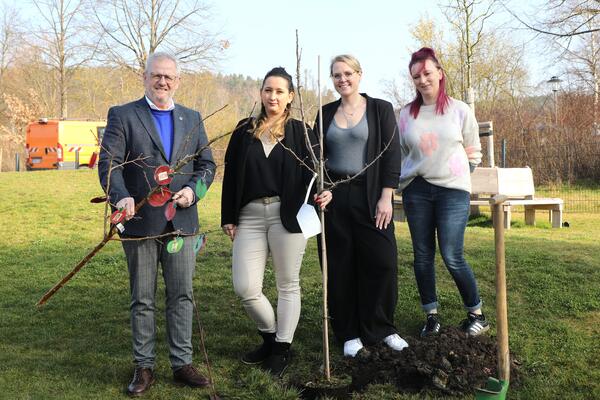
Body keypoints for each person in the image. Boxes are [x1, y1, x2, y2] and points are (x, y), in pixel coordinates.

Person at [98, 52, 216, 396]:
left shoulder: (192, 118)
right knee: (142, 298)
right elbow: (109, 164)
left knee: (182, 294)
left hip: (181, 222)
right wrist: (120, 197)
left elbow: (207, 166)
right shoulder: (123, 115)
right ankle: (144, 366)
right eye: (156, 76)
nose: (162, 81)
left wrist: (193, 193)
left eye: (169, 77)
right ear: (145, 77)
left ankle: (182, 364)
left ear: (177, 81)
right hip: (139, 223)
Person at [221, 67, 331, 377]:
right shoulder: (244, 130)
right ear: (260, 93)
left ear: (290, 97)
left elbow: (320, 172)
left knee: (287, 284)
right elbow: (230, 175)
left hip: (289, 215)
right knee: (245, 286)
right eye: (268, 90)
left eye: (280, 91)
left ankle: (282, 347)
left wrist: (324, 194)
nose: (273, 96)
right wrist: (228, 216)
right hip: (250, 216)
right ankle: (270, 335)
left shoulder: (301, 131)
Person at [314, 54, 408, 358]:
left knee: (382, 261)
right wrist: (323, 188)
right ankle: (349, 333)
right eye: (336, 75)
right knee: (340, 266)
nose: (343, 80)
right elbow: (316, 158)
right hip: (335, 198)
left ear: (359, 74)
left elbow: (391, 154)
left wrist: (386, 196)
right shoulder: (324, 113)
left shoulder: (380, 109)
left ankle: (380, 328)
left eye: (348, 74)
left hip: (371, 195)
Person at [397, 47, 489, 337]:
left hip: (452, 192)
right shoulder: (405, 115)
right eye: (416, 76)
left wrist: (458, 175)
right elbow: (400, 154)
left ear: (439, 74)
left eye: (427, 73)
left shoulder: (460, 110)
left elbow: (474, 152)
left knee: (452, 254)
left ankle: (477, 314)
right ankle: (431, 317)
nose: (422, 80)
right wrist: (405, 182)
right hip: (417, 191)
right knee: (422, 255)